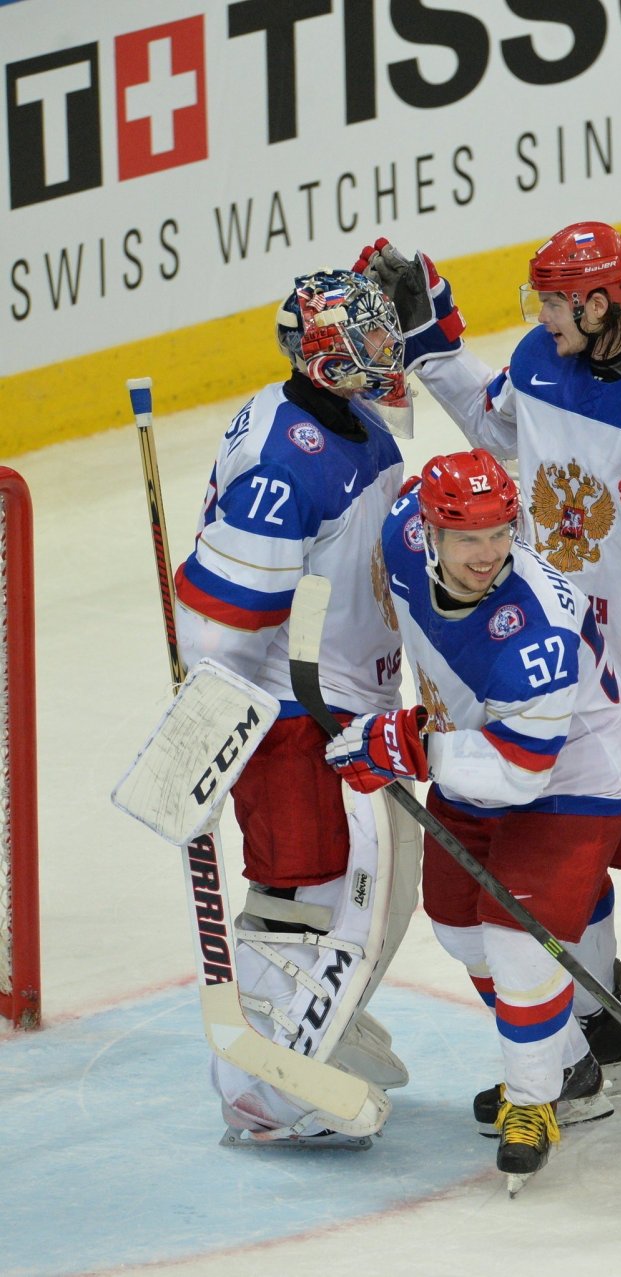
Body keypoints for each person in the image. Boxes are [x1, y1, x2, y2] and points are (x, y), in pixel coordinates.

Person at [360, 223, 621, 1124]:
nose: (542, 317)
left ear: (600, 302)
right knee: (569, 873)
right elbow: (496, 426)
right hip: (557, 677)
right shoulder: (540, 359)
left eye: (554, 301)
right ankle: (586, 1041)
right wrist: (435, 347)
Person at [327, 448, 621, 1191]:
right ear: (430, 532)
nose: (489, 552)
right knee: (458, 926)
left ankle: (533, 1100)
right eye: (468, 536)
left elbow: (520, 771)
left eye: (502, 531)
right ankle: (569, 1066)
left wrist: (411, 744)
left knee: (516, 938)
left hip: (572, 778)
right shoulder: (403, 529)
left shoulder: (535, 629)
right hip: (474, 749)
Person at [175, 269, 415, 1146]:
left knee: (387, 887)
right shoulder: (287, 461)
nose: (388, 355)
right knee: (304, 898)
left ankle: (325, 1024)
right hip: (290, 716)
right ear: (323, 358)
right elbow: (221, 627)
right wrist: (208, 741)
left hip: (350, 701)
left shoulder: (353, 422)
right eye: (371, 342)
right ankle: (261, 1092)